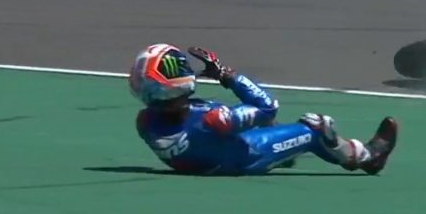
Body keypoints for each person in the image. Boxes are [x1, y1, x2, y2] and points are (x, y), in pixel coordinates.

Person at [128, 43, 398, 175]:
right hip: (246, 157)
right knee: (317, 126)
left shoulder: (146, 123)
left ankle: (287, 155)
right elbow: (268, 106)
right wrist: (226, 75)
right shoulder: (215, 119)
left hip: (211, 156)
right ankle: (367, 157)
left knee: (261, 122)